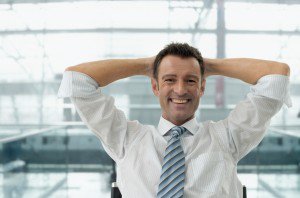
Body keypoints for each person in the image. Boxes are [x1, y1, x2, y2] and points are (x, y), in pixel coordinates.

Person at [57, 43, 292, 197]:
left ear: (202, 88)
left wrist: (208, 65)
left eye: (190, 81)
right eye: (169, 79)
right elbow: (76, 80)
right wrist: (146, 65)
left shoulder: (227, 138)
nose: (180, 90)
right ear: (154, 86)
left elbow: (276, 78)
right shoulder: (126, 139)